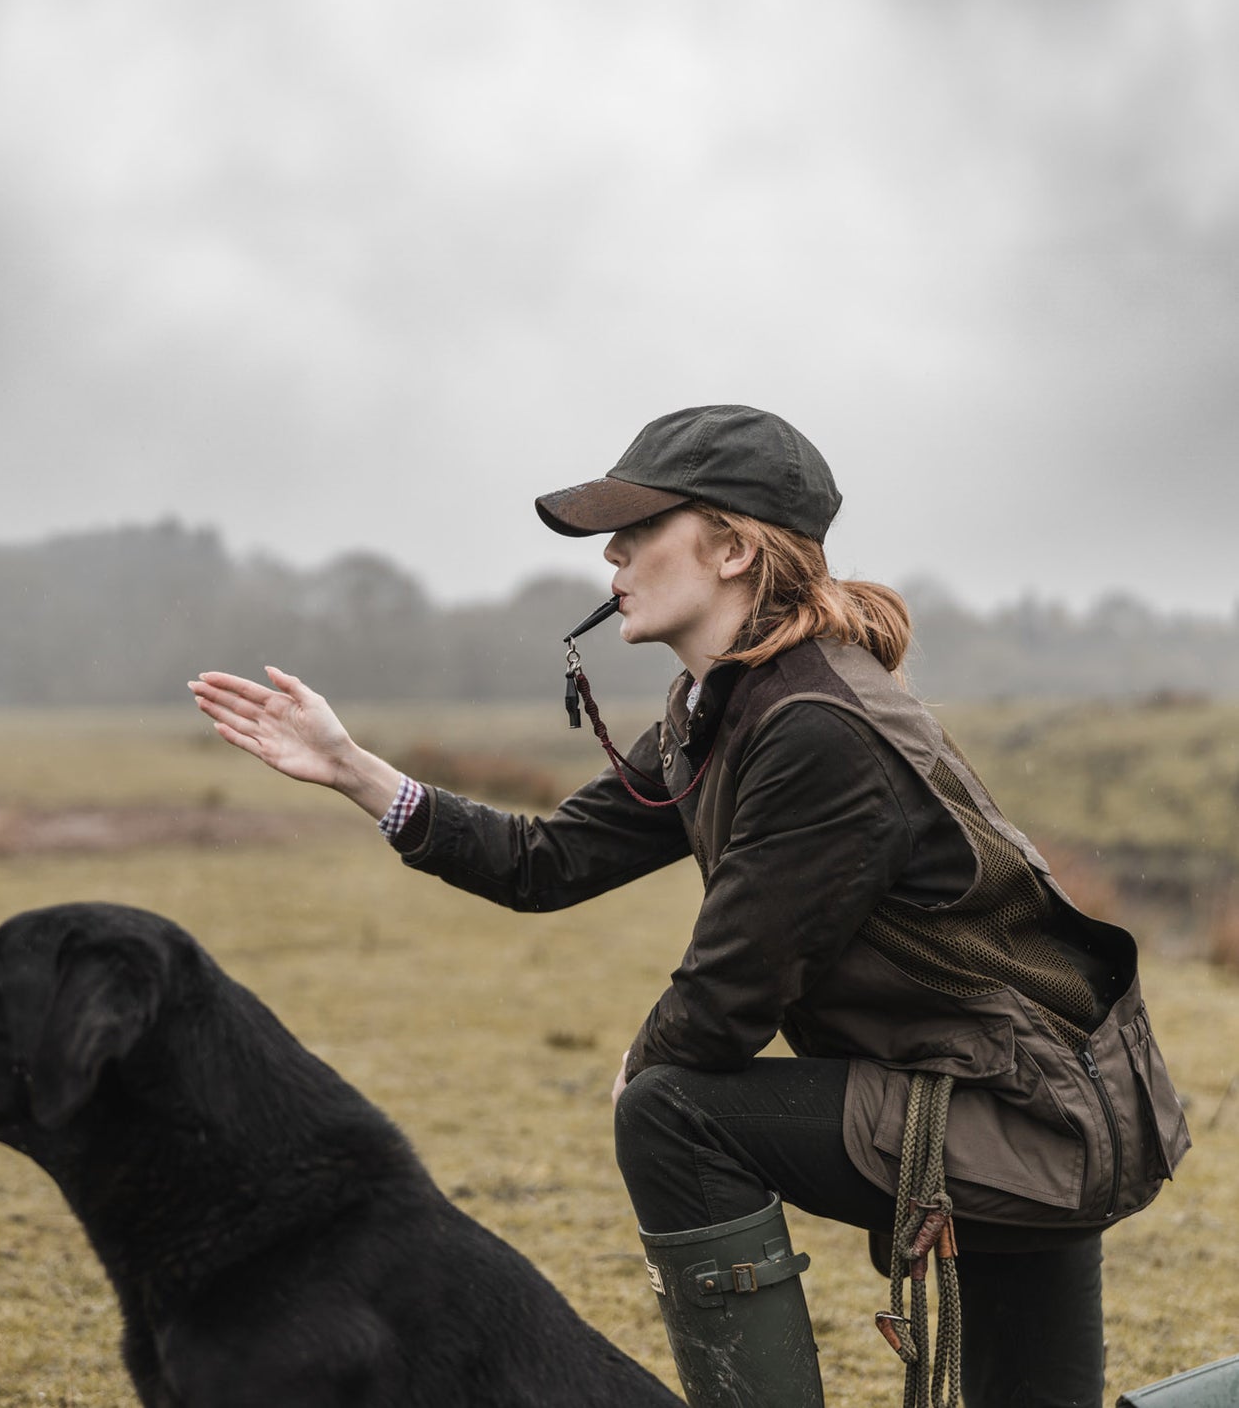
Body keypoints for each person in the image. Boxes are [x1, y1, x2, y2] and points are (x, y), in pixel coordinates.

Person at [189, 404, 1190, 1408]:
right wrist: (356, 772)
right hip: (1000, 1093)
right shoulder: (726, 706)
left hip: (1032, 1116)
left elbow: (729, 997)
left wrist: (640, 1069)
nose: (612, 556)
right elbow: (545, 863)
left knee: (673, 1111)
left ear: (731, 549)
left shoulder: (817, 727)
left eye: (638, 529)